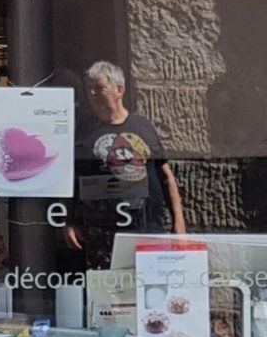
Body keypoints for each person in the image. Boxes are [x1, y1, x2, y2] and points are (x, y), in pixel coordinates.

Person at [69, 59, 186, 270]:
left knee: (151, 282)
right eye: (89, 89)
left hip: (147, 228)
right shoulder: (83, 133)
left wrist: (179, 222)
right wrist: (69, 221)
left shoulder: (143, 127)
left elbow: (165, 176)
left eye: (99, 88)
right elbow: (72, 181)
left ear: (119, 89)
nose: (92, 94)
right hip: (102, 234)